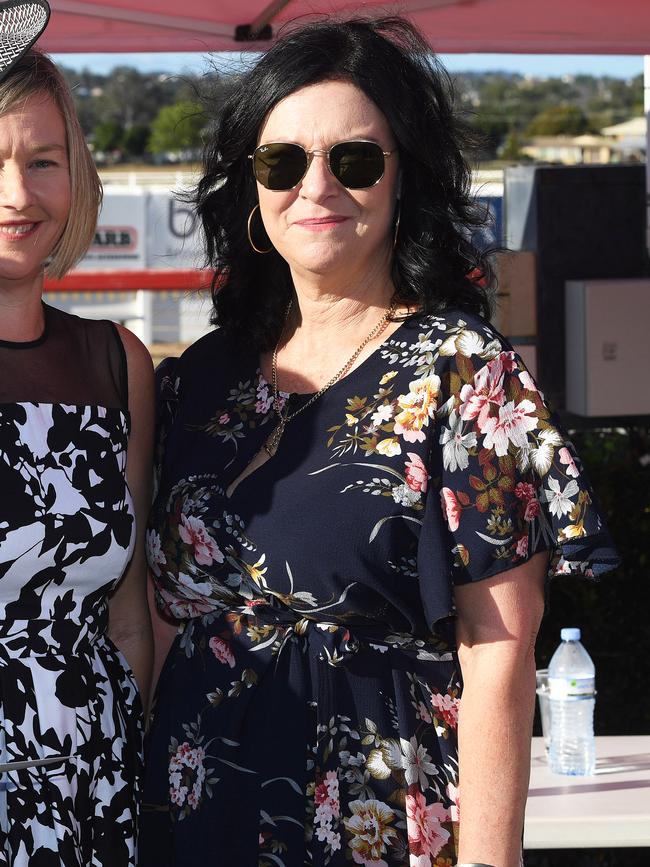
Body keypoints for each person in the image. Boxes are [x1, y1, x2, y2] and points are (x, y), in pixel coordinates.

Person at [140, 17, 618, 867]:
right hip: (192, 812)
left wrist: (490, 859)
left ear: (407, 181)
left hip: (371, 815)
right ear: (250, 190)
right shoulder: (199, 378)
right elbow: (158, 617)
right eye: (282, 162)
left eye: (354, 160)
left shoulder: (465, 373)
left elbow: (500, 652)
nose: (316, 186)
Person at [0, 48, 154, 864]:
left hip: (94, 788)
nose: (18, 194)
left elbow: (129, 617)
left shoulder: (118, 363)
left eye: (43, 160)